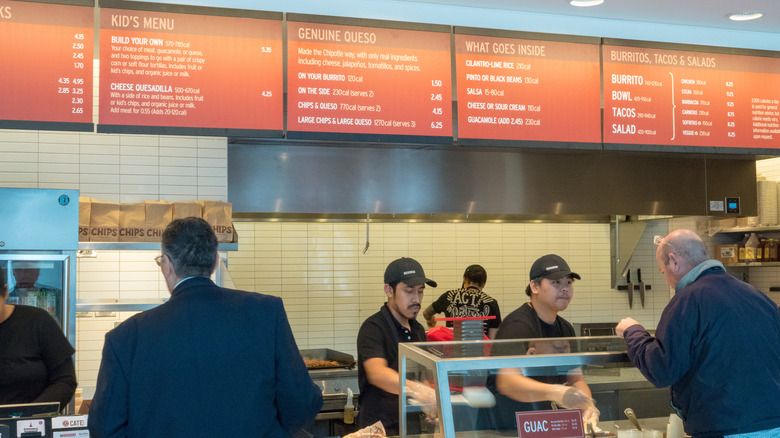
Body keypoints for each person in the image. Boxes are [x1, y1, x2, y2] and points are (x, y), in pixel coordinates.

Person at [88, 217, 322, 437]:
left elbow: (106, 428)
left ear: (167, 265)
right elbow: (301, 402)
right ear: (216, 261)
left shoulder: (125, 337)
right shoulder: (265, 312)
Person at [616, 229, 780, 437]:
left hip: (723, 427)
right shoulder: (757, 296)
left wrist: (632, 331)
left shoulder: (687, 301)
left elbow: (662, 369)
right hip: (774, 425)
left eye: (663, 271)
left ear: (674, 261)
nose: (667, 280)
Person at [488, 254, 598, 430]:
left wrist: (588, 405)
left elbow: (575, 378)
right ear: (534, 286)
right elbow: (506, 382)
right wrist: (556, 392)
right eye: (556, 282)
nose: (564, 289)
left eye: (568, 282)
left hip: (547, 426)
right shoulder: (517, 327)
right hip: (512, 427)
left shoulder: (566, 329)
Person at [356, 257, 438, 436]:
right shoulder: (373, 327)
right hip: (378, 430)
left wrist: (430, 402)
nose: (416, 299)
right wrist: (419, 391)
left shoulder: (418, 330)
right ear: (388, 290)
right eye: (408, 291)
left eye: (420, 292)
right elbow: (378, 374)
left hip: (410, 428)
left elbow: (421, 376)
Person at [0, 262, 76, 410]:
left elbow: (65, 380)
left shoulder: (37, 321)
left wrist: (30, 416)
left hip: (33, 425)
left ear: (5, 292)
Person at [423, 264, 502, 339]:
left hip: (452, 350)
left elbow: (426, 313)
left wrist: (430, 319)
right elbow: (493, 339)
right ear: (484, 284)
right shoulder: (491, 303)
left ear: (464, 279)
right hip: (480, 350)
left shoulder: (449, 296)